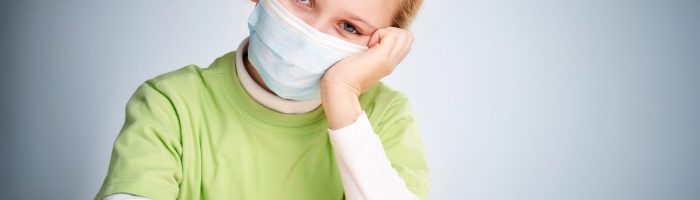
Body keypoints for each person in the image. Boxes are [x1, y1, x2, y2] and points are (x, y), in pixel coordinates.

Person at [95, 0, 428, 199]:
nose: (310, 31)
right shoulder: (171, 105)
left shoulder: (384, 117)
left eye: (349, 27)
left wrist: (341, 92)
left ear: (379, 47)